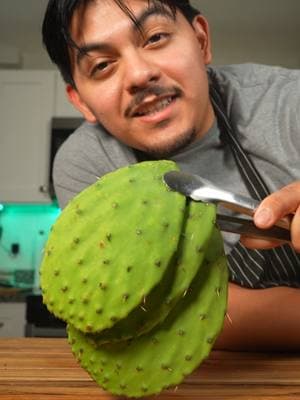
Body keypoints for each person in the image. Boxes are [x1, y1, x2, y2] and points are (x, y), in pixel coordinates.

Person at [42, 0, 300, 350]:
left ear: (201, 40)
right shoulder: (89, 163)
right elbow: (155, 308)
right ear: (81, 101)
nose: (138, 75)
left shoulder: (289, 103)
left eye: (155, 38)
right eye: (102, 65)